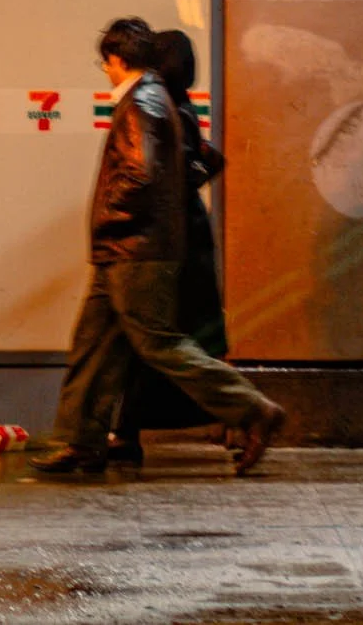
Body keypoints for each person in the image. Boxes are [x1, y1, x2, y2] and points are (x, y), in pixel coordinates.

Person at [35, 18, 285, 478]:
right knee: (94, 346)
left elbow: (141, 173)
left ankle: (253, 410)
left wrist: (108, 211)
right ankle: (80, 441)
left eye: (105, 63)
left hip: (135, 249)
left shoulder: (142, 101)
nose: (105, 72)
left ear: (117, 60)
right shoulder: (153, 98)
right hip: (125, 248)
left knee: (159, 344)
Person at [109, 28, 229, 466]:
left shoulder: (157, 105)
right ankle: (125, 432)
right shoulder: (182, 106)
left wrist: (114, 207)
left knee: (150, 340)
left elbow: (152, 175)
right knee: (172, 340)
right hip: (188, 237)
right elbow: (202, 159)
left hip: (163, 241)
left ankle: (125, 433)